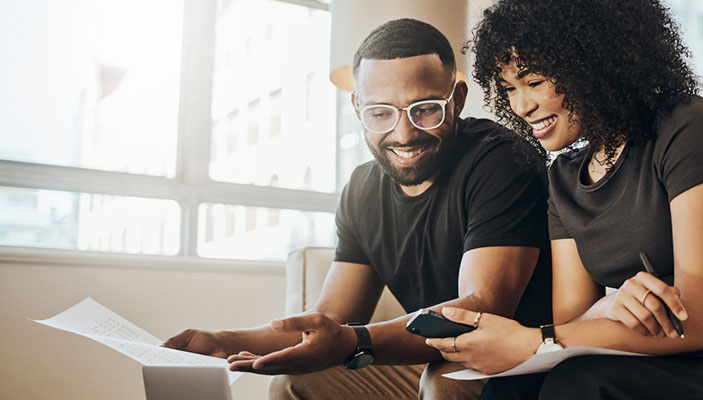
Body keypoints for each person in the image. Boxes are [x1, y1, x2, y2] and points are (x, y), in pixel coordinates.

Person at [423, 1, 703, 399]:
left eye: (534, 81)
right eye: (508, 89)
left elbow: (701, 322)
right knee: (514, 389)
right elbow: (574, 323)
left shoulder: (691, 129)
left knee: (580, 385)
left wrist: (528, 340)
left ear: (591, 61)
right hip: (683, 365)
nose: (521, 105)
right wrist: (605, 307)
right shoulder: (563, 180)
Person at [163, 18, 551, 399]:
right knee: (295, 383)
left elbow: (478, 312)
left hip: (524, 360)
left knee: (444, 380)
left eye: (425, 109)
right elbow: (330, 318)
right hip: (438, 355)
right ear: (357, 106)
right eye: (380, 113)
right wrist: (222, 341)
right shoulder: (363, 189)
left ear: (458, 100)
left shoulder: (501, 161)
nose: (403, 134)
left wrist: (353, 341)